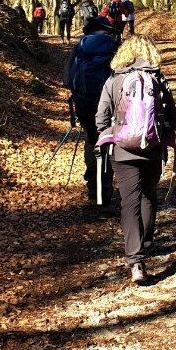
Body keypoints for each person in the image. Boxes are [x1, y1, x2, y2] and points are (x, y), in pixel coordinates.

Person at [96, 35, 176, 285]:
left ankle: (136, 261)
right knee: (148, 195)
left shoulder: (115, 79)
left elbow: (101, 116)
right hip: (152, 147)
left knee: (129, 201)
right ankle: (146, 243)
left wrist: (110, 133)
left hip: (122, 149)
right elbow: (172, 116)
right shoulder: (158, 78)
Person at [64, 12, 119, 209]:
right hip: (109, 104)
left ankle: (93, 184)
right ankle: (104, 193)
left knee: (91, 141)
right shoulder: (113, 47)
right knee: (108, 143)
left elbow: (67, 79)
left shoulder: (80, 46)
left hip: (85, 104)